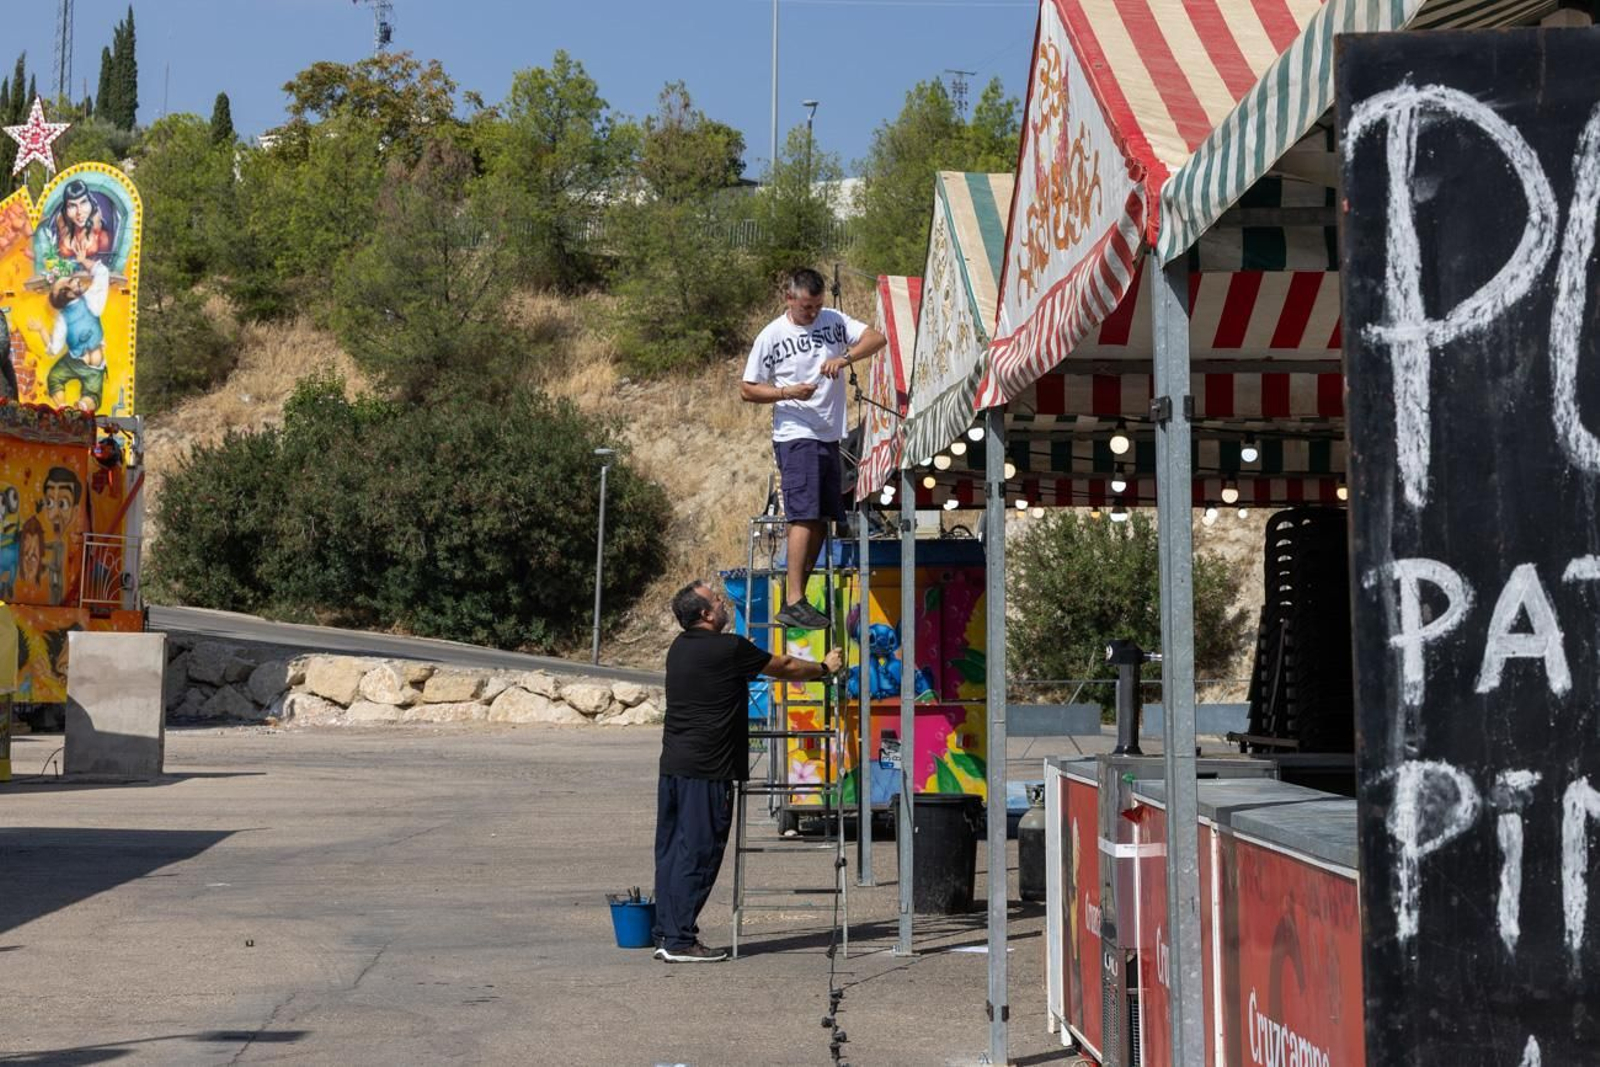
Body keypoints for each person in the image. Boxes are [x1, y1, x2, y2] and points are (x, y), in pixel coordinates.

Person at [653, 579, 843, 963]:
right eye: (716, 601)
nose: (723, 603)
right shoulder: (729, 648)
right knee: (700, 852)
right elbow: (785, 666)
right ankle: (679, 941)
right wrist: (825, 667)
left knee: (672, 851)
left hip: (674, 767)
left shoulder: (679, 648)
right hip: (709, 770)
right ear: (706, 614)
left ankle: (666, 929)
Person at [742, 269, 886, 630]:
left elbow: (876, 338)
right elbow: (748, 388)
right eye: (807, 307)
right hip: (796, 432)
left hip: (828, 433)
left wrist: (845, 358)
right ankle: (793, 599)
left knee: (823, 516)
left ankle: (799, 597)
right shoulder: (773, 335)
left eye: (817, 306)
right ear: (789, 298)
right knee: (803, 514)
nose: (812, 313)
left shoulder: (833, 320)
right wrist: (786, 392)